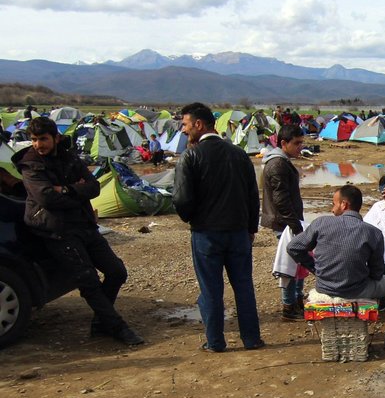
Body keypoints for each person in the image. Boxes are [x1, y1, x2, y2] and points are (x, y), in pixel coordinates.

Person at [14, 117, 143, 345]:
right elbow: (45, 198)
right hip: (56, 230)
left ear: (56, 138)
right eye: (34, 140)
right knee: (88, 280)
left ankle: (101, 321)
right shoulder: (30, 164)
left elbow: (93, 187)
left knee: (117, 271)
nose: (38, 145)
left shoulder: (69, 157)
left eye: (42, 139)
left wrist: (64, 189)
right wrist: (76, 192)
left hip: (83, 225)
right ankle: (116, 327)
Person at [286, 185, 385, 350]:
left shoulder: (321, 223)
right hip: (359, 289)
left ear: (344, 205)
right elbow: (377, 272)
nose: (332, 208)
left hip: (324, 287)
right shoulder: (372, 232)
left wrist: (315, 269)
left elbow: (293, 247)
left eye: (334, 203)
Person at [173, 102, 263, 353]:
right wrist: (250, 228)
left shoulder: (190, 156)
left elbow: (181, 198)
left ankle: (215, 342)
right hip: (238, 233)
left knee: (211, 289)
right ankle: (252, 339)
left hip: (206, 234)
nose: (183, 130)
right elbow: (252, 195)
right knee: (244, 286)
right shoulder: (238, 154)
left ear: (199, 125)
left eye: (185, 124)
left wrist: (192, 218)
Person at [260, 124, 306, 320]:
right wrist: (294, 225)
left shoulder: (281, 161)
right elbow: (281, 200)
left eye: (301, 143)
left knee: (297, 263)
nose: (300, 147)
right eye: (296, 143)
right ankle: (289, 306)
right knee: (290, 266)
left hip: (287, 221)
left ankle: (295, 301)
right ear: (284, 143)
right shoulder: (278, 164)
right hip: (285, 222)